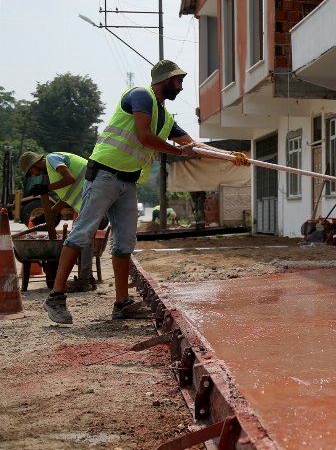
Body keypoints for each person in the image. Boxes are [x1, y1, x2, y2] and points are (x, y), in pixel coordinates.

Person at [42, 60, 249, 324]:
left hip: (128, 183)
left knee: (125, 243)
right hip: (104, 173)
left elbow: (194, 146)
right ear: (165, 80)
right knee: (82, 233)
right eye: (179, 81)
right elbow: (144, 136)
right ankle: (56, 298)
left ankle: (121, 304)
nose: (181, 86)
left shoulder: (166, 118)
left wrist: (231, 156)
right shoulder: (140, 95)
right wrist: (177, 151)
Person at [18, 151, 103, 292]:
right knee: (84, 237)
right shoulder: (53, 174)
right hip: (91, 197)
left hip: (95, 192)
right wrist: (46, 215)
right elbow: (65, 199)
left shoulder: (52, 158)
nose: (33, 175)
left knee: (83, 237)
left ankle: (84, 280)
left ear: (35, 163)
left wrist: (47, 188)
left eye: (30, 172)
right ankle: (86, 278)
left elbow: (70, 179)